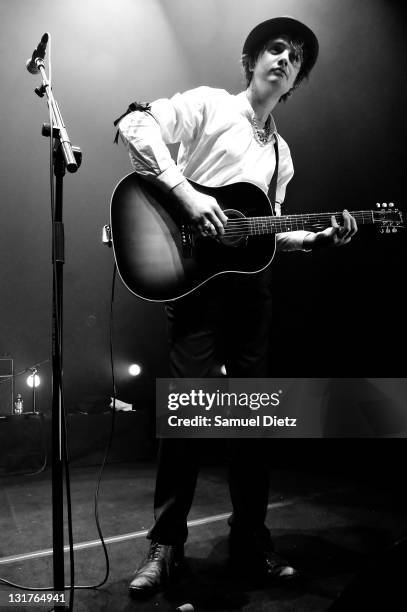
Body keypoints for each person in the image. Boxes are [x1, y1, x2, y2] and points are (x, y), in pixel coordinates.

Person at [117, 16, 357, 597]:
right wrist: (187, 192)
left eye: (296, 57)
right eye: (275, 49)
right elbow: (133, 124)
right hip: (195, 284)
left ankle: (251, 542)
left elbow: (268, 231)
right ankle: (165, 546)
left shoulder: (284, 155)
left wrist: (318, 237)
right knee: (190, 420)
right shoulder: (209, 106)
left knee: (252, 425)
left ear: (296, 80)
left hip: (251, 293)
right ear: (251, 60)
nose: (285, 59)